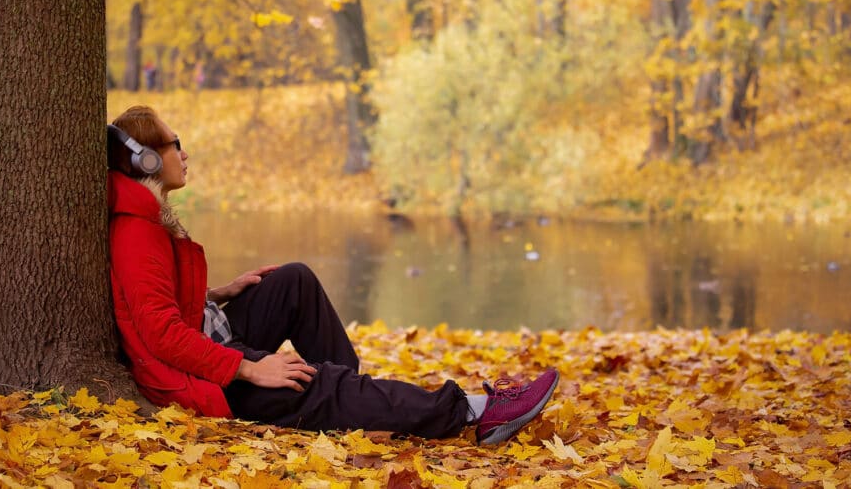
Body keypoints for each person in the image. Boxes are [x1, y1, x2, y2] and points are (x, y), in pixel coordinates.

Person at [107, 105, 559, 444]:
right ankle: (476, 413)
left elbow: (155, 300)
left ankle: (352, 400)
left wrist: (217, 293)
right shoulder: (137, 231)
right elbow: (161, 332)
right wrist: (250, 369)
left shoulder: (146, 217)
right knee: (316, 383)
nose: (184, 154)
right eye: (173, 144)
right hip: (205, 378)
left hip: (209, 338)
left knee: (292, 281)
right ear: (145, 159)